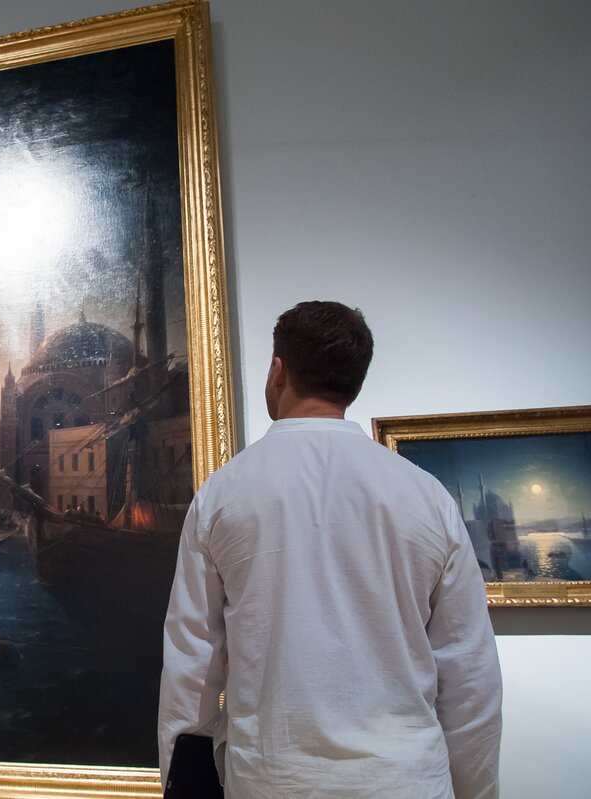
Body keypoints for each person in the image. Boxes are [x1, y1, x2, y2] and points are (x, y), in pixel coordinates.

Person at [158, 301, 502, 799]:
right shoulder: (428, 498)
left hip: (271, 781)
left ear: (278, 371)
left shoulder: (222, 496)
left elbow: (192, 667)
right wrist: (475, 791)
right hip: (407, 780)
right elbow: (470, 675)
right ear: (353, 384)